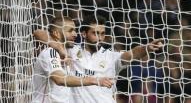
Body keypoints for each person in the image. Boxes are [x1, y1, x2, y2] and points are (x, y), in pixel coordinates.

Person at [33, 15, 163, 103]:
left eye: (102, 34)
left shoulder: (110, 56)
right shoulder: (71, 51)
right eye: (95, 33)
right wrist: (58, 47)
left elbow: (131, 53)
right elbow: (38, 33)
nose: (100, 38)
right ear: (84, 34)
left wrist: (148, 47)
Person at [32, 16, 113, 103]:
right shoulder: (50, 52)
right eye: (70, 31)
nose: (75, 34)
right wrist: (94, 80)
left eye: (74, 30)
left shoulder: (70, 53)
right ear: (57, 33)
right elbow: (60, 79)